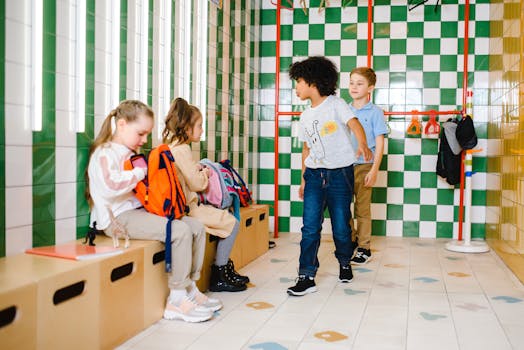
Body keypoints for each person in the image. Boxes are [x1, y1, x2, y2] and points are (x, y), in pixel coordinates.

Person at [86, 100, 221, 323]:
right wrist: (139, 174)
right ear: (121, 125)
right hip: (116, 219)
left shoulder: (128, 152)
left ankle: (190, 288)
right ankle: (176, 300)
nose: (145, 140)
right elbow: (110, 187)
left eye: (147, 134)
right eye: (140, 133)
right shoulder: (105, 153)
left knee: (196, 227)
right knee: (179, 231)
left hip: (137, 213)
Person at [286, 56, 372, 297]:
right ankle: (306, 275)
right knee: (310, 228)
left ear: (312, 82)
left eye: (299, 82)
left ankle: (345, 262)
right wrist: (304, 178)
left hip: (340, 175)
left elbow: (354, 123)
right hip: (314, 175)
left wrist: (363, 143)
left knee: (341, 227)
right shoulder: (304, 117)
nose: (296, 87)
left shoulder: (336, 104)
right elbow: (306, 149)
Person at [162, 97, 249, 293]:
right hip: (188, 210)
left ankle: (224, 267)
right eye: (199, 126)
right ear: (186, 127)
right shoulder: (182, 150)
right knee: (232, 222)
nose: (202, 130)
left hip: (181, 208)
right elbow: (198, 184)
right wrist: (206, 173)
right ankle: (219, 273)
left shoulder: (171, 146)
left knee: (224, 219)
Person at [348, 67, 388, 265]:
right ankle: (350, 241)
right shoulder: (344, 109)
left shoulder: (375, 112)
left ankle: (364, 248)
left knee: (362, 209)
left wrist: (374, 169)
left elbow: (380, 142)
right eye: (352, 82)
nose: (354, 87)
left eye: (360, 83)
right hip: (344, 166)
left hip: (365, 166)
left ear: (370, 87)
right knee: (342, 209)